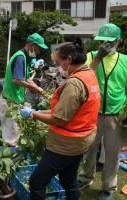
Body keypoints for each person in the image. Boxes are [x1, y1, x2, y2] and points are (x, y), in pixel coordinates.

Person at [20, 39, 101, 200]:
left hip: (65, 144)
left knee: (36, 181)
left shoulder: (74, 84)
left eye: (58, 62)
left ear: (69, 59)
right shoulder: (89, 75)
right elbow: (70, 109)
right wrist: (40, 110)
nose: (58, 67)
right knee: (68, 180)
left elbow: (59, 119)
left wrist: (33, 114)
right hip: (82, 140)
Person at [78, 23, 127, 200]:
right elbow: (83, 77)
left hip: (116, 116)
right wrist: (98, 56)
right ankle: (85, 177)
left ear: (119, 41)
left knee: (113, 154)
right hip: (92, 114)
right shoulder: (91, 56)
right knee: (89, 149)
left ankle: (108, 188)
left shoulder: (125, 61)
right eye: (103, 40)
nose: (107, 44)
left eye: (111, 41)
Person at [0, 33, 48, 146]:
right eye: (38, 48)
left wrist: (38, 88)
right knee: (11, 137)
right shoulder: (20, 57)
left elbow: (25, 78)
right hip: (10, 101)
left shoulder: (23, 56)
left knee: (15, 132)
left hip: (14, 100)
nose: (39, 51)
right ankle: (8, 159)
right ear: (32, 45)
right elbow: (16, 80)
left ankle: (11, 157)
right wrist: (32, 87)